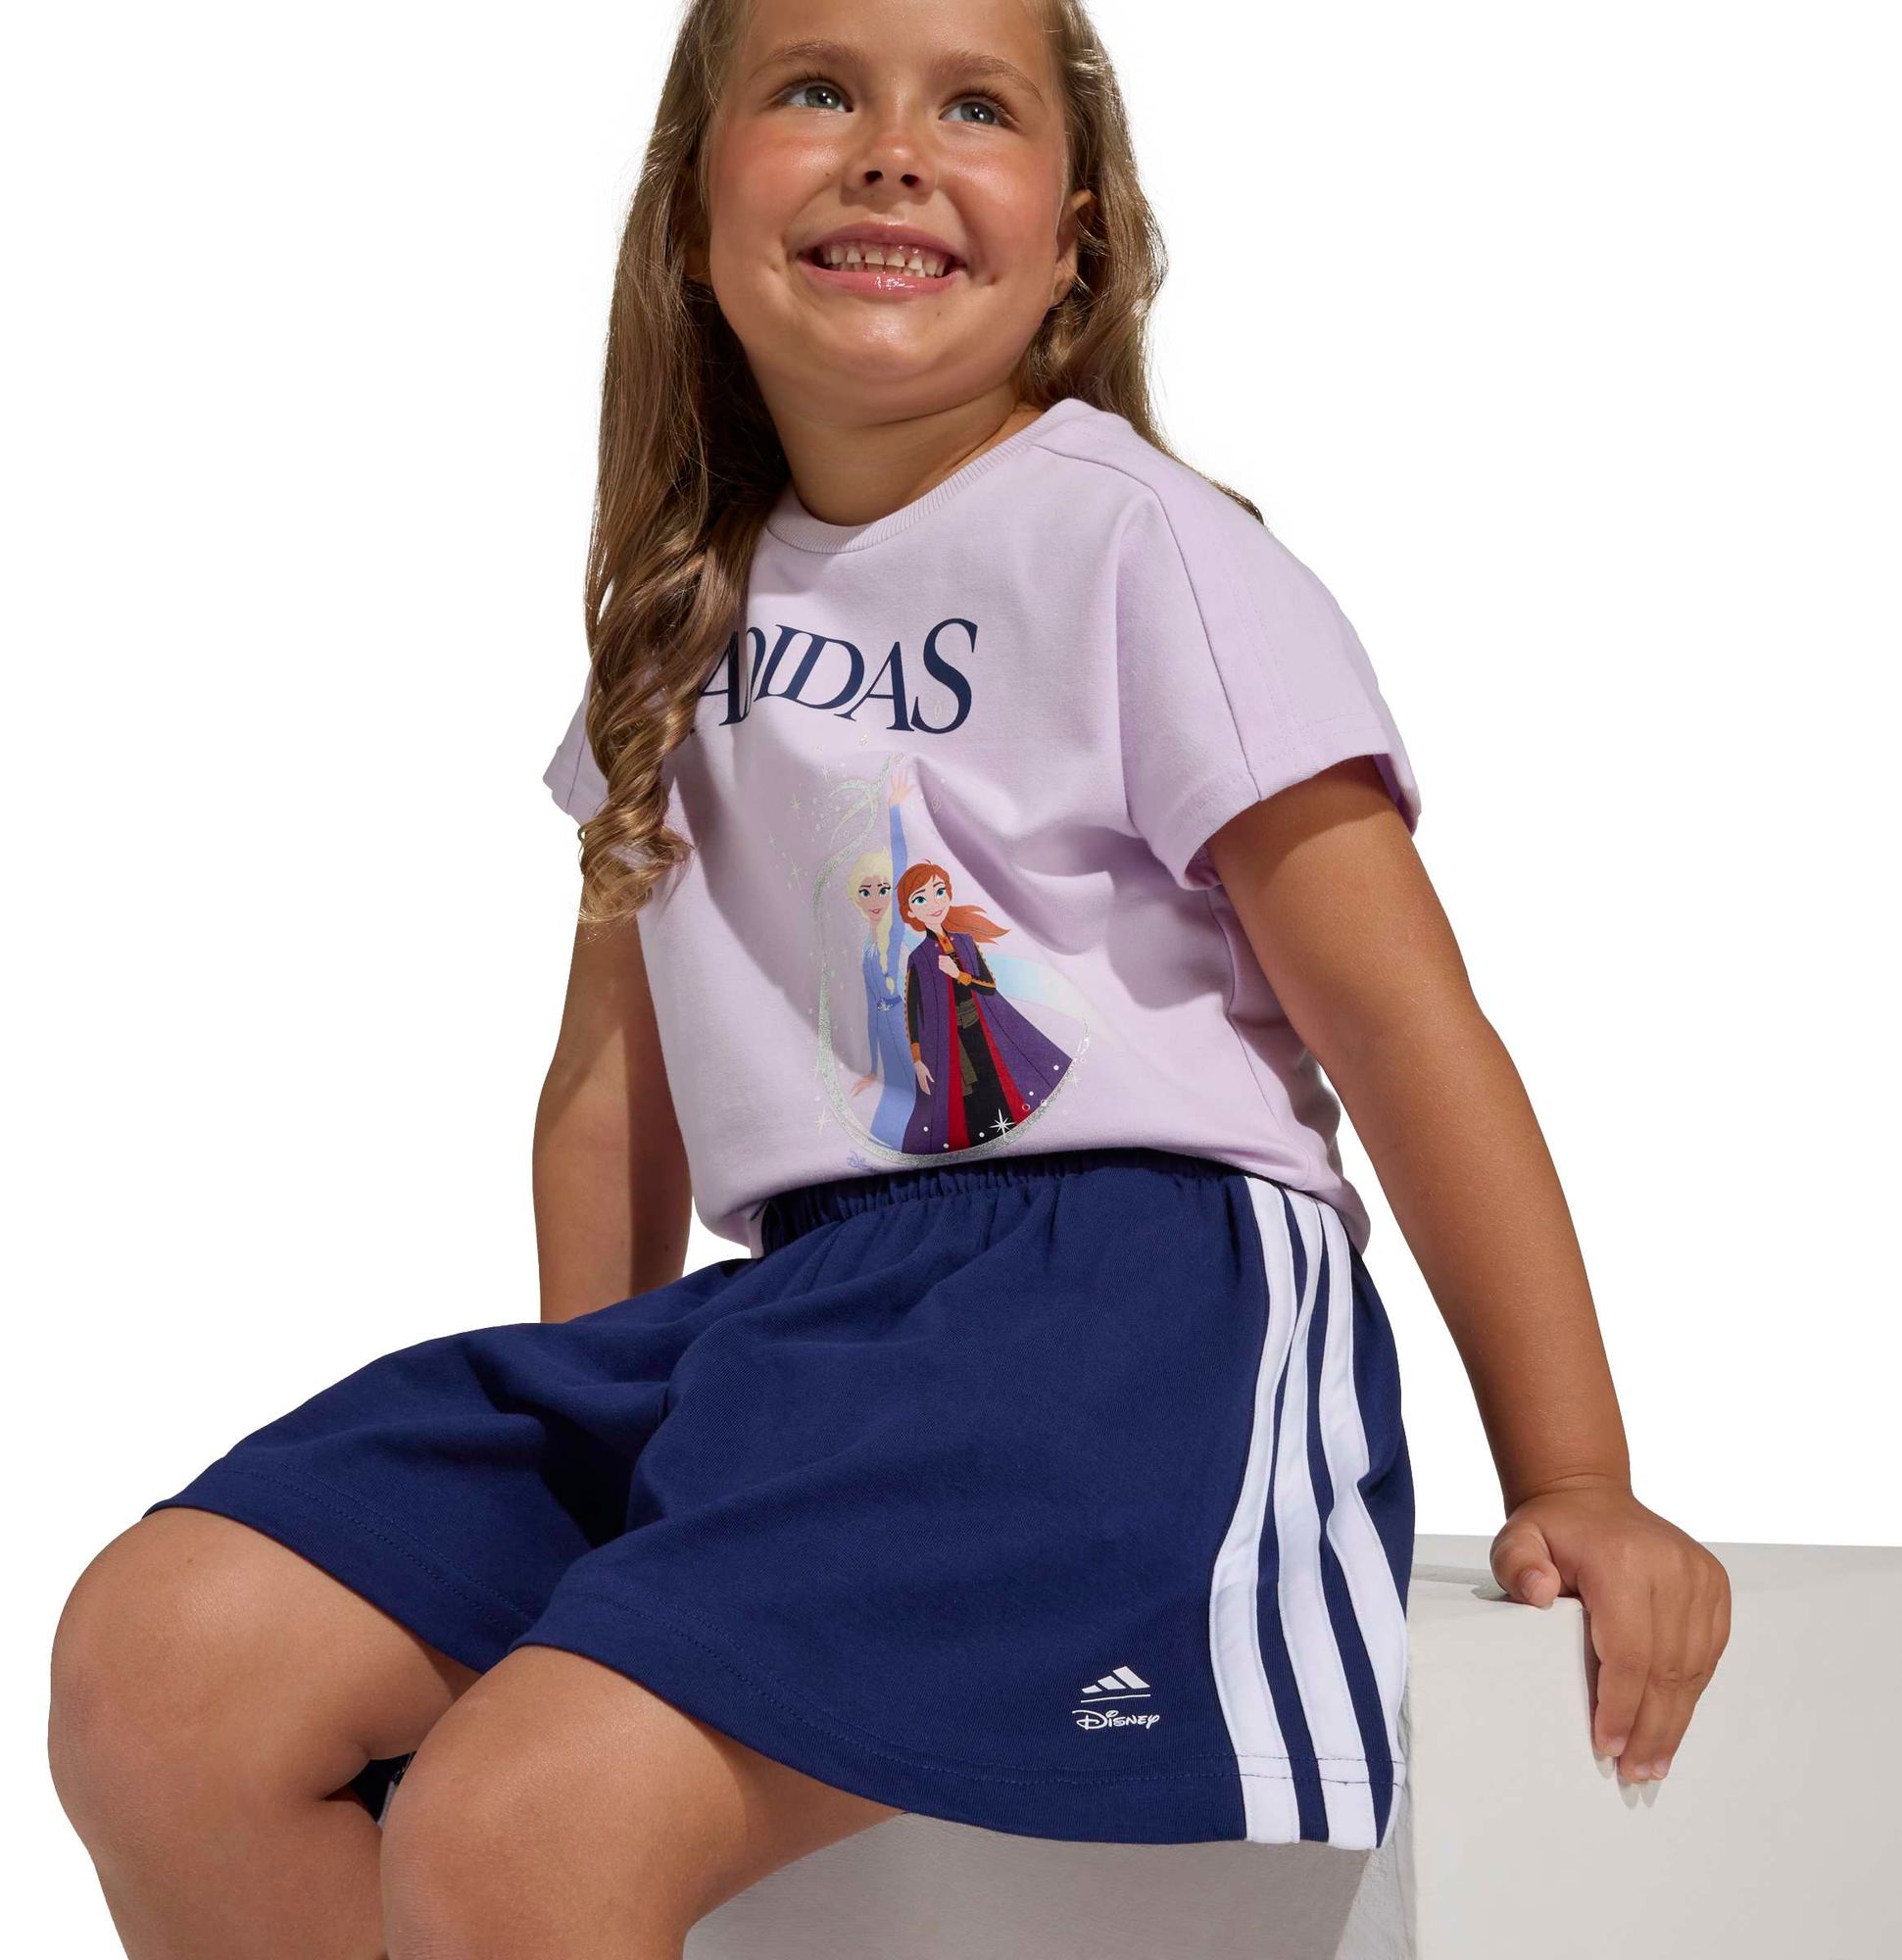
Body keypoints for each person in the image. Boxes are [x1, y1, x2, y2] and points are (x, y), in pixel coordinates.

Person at [47, 1, 1731, 1954]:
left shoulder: (1142, 548)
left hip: (1119, 1307)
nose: (892, 148)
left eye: (976, 106)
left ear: (1077, 239)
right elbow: (613, 1086)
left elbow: (1405, 1025)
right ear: (692, 211)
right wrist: (625, 1499)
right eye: (818, 89)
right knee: (164, 1666)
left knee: (525, 1817)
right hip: (802, 1318)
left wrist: (1577, 1470)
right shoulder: (681, 617)